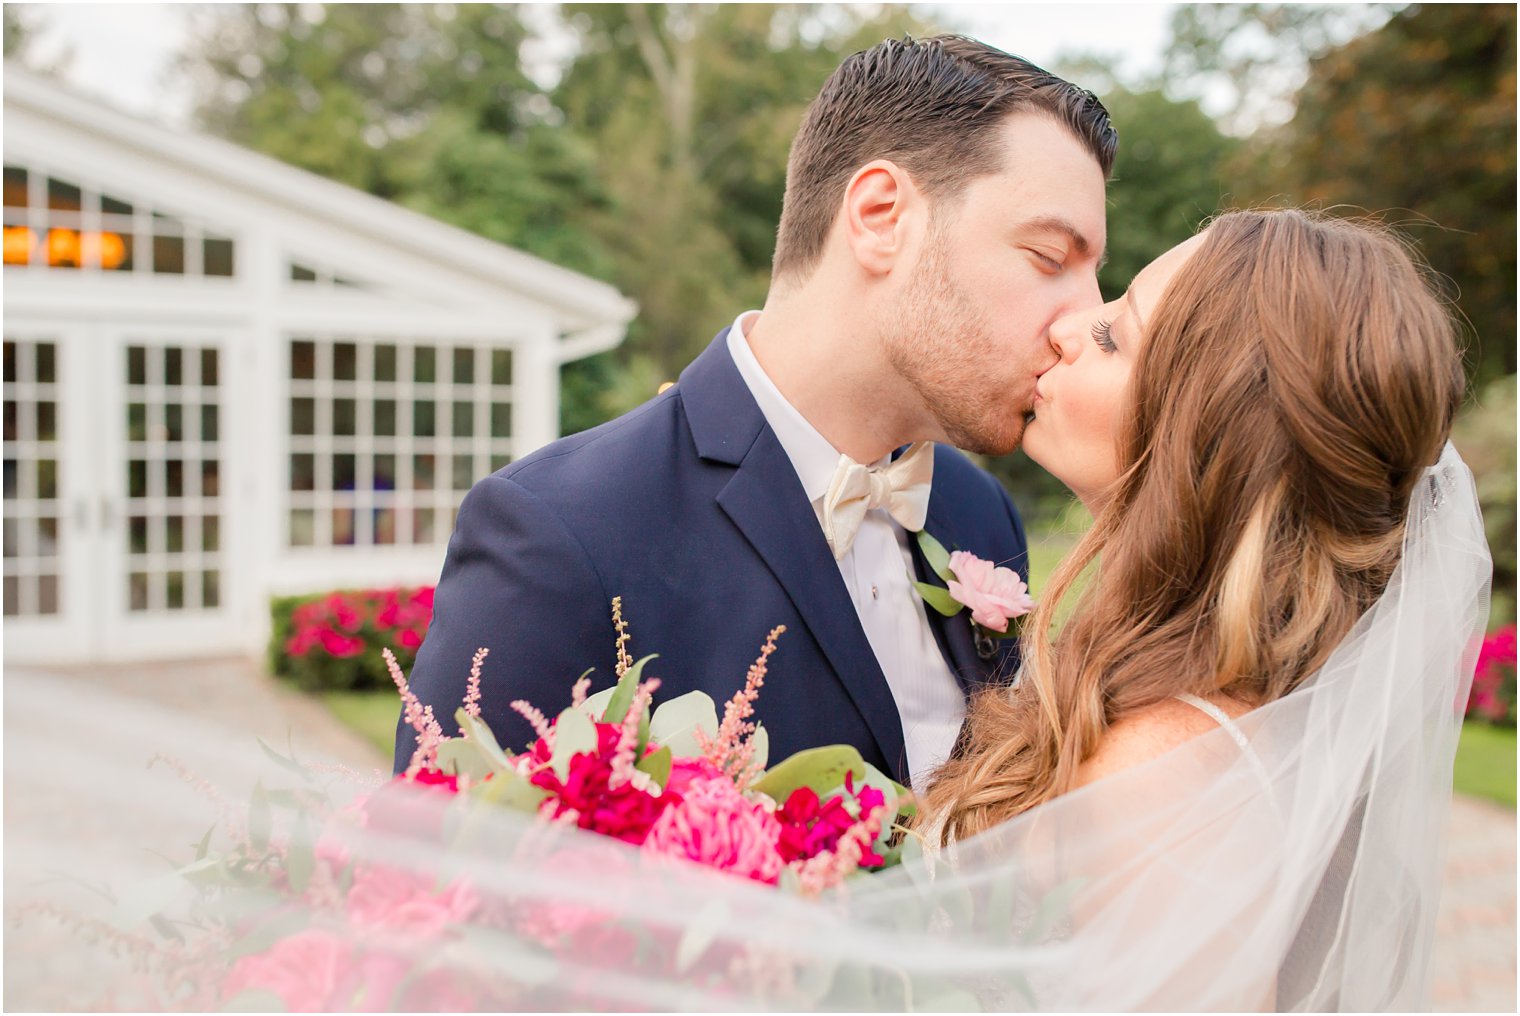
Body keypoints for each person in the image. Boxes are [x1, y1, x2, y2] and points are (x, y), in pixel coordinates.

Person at [396, 35, 1118, 787]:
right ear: (879, 217)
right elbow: (435, 886)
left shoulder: (979, 514)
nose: (1083, 321)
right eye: (1048, 258)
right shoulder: (562, 531)